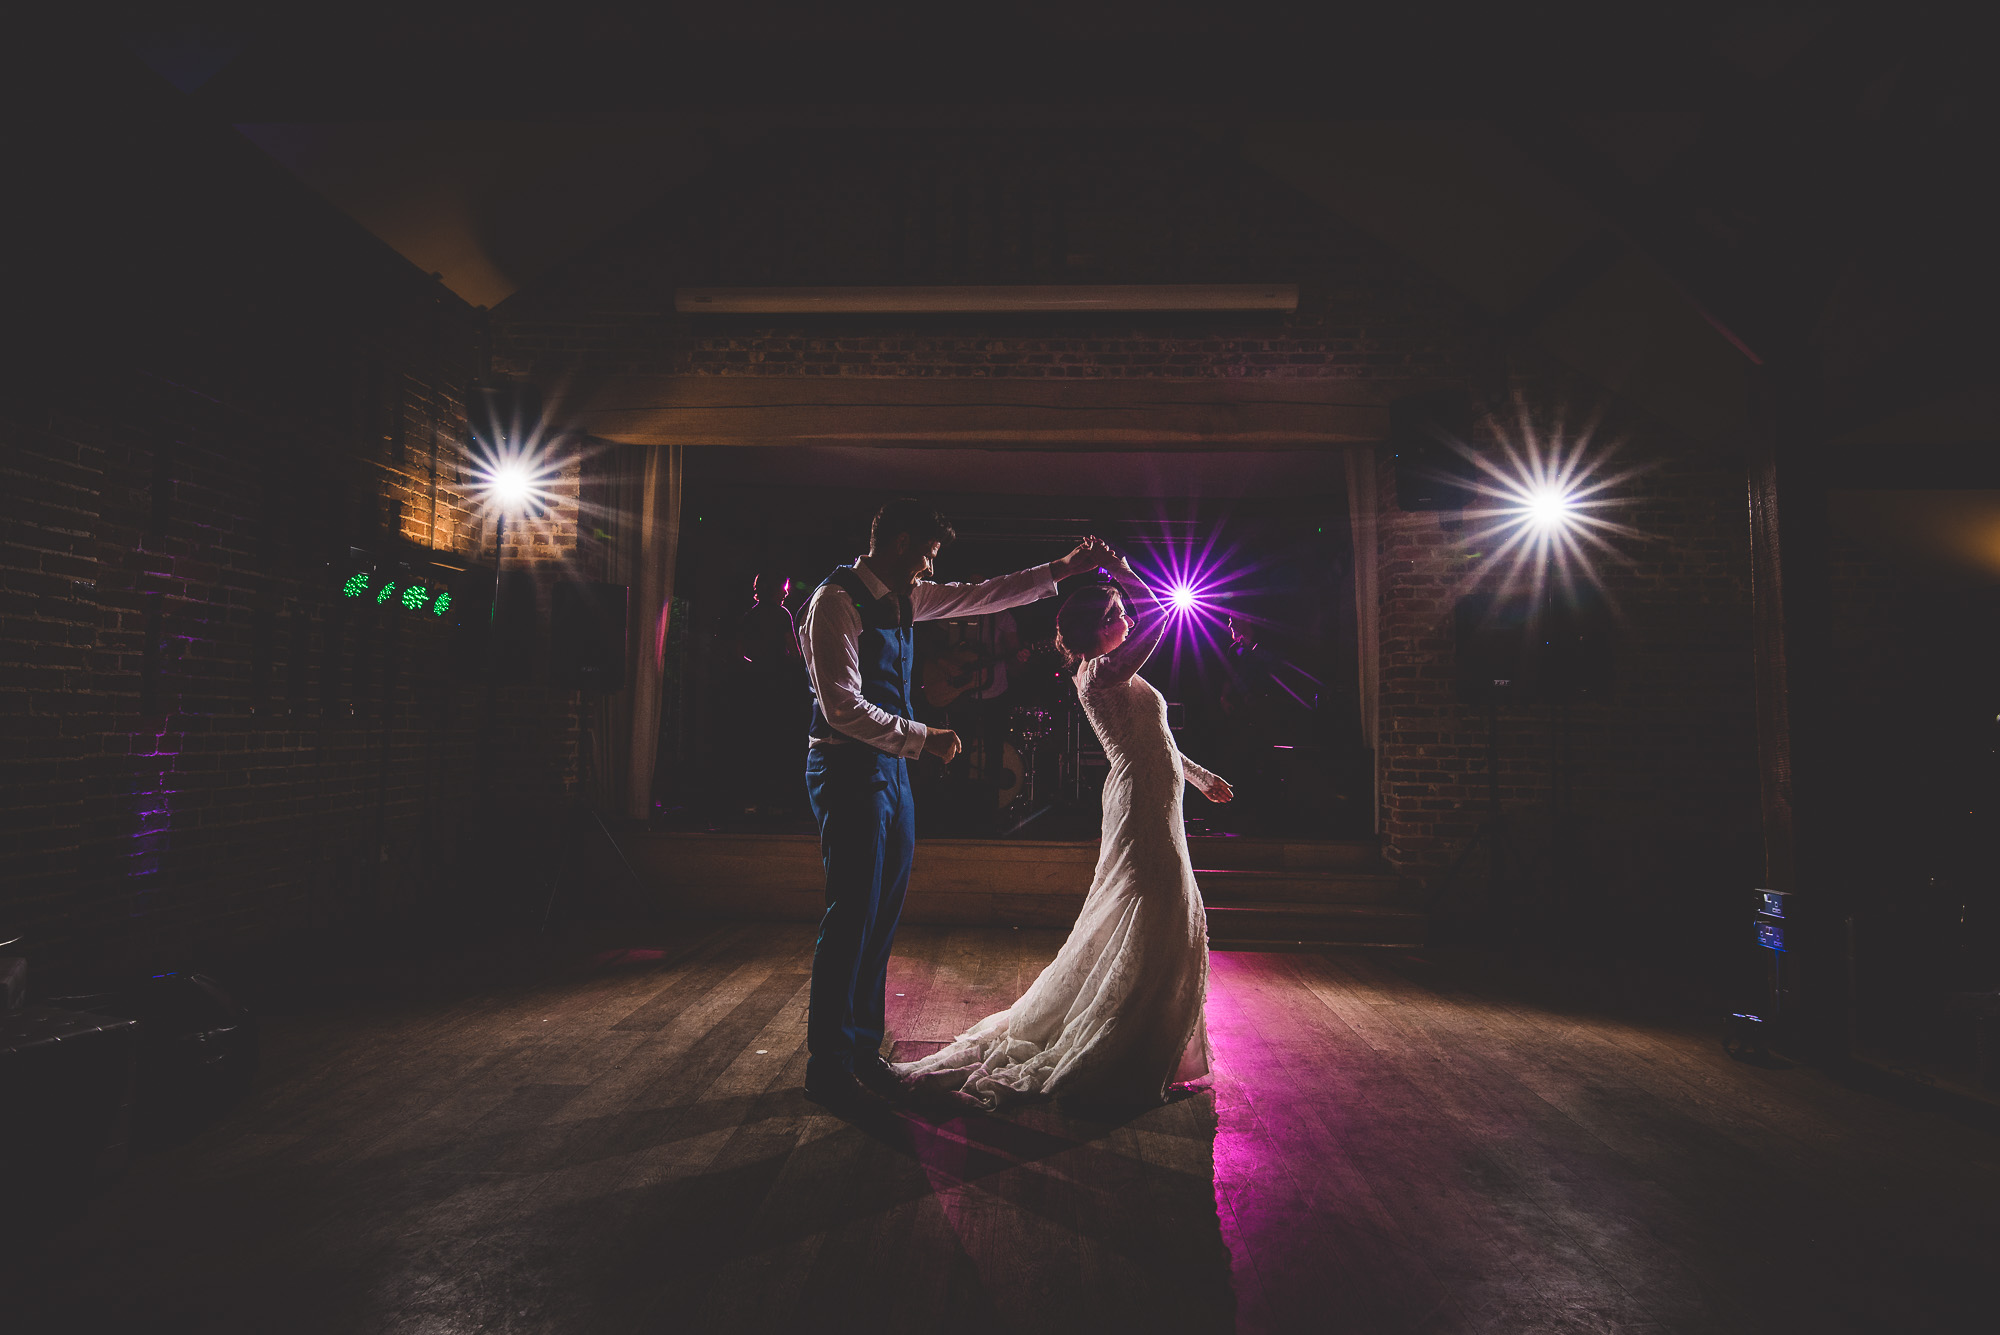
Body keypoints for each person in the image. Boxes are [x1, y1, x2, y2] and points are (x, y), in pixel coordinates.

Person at [797, 499, 1112, 1110]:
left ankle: (862, 1050)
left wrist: (1065, 569)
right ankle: (827, 1064)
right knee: (851, 914)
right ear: (897, 543)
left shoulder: (904, 596)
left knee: (883, 913)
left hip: (889, 768)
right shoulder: (834, 602)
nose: (927, 569)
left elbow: (984, 595)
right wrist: (924, 738)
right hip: (844, 765)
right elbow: (839, 706)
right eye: (924, 556)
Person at [894, 547, 1233, 1111]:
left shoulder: (1121, 672)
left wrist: (1199, 778)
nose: (1126, 619)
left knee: (1169, 905)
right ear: (1098, 629)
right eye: (1117, 614)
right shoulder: (1098, 674)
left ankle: (1156, 1041)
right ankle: (1125, 1040)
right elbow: (1157, 624)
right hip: (1139, 803)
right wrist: (1135, 584)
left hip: (1162, 796)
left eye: (1125, 612)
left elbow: (1162, 740)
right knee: (1156, 902)